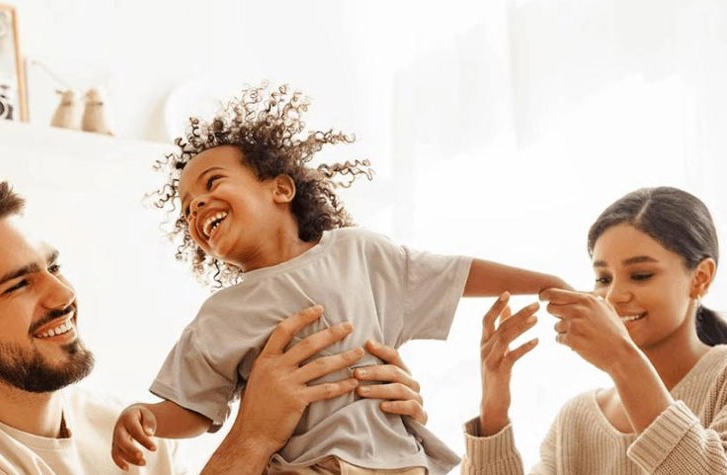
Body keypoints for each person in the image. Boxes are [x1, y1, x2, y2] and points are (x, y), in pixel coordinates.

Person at [114, 84, 569, 474]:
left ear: (281, 189)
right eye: (188, 207)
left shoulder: (359, 253)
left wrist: (547, 282)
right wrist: (147, 416)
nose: (197, 206)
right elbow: (193, 408)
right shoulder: (219, 316)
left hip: (397, 460)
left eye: (212, 184)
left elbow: (455, 272)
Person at [0, 179, 430, 474]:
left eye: (53, 267)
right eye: (18, 284)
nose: (62, 295)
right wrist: (252, 435)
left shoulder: (126, 429)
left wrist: (355, 425)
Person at [465, 186, 727, 474]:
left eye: (641, 275)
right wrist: (493, 409)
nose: (613, 295)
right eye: (603, 278)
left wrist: (620, 357)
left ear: (700, 278)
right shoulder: (577, 421)